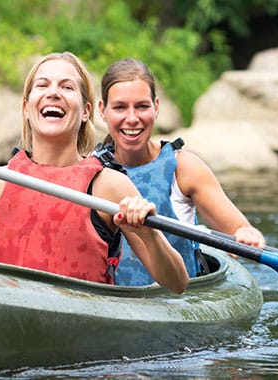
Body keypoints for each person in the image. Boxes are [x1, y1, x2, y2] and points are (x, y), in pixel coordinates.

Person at [0, 52, 188, 293]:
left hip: (81, 335)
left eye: (66, 87)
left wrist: (150, 235)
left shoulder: (109, 187)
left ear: (86, 111)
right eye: (42, 85)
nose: (53, 93)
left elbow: (177, 283)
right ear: (26, 107)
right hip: (3, 321)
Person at [97, 58, 266, 286]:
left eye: (142, 106)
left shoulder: (184, 168)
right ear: (102, 110)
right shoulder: (91, 170)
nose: (132, 118)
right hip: (113, 299)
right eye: (120, 107)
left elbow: (239, 230)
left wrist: (247, 234)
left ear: (156, 107)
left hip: (178, 297)